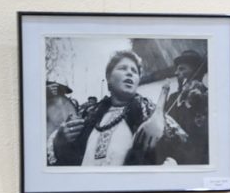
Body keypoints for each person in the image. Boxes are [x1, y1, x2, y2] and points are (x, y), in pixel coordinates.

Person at [48, 50, 187, 166]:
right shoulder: (87, 113)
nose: (130, 73)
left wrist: (168, 165)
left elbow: (183, 148)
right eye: (123, 68)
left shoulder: (150, 112)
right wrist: (60, 142)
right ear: (108, 78)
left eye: (134, 71)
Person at [158, 48, 210, 165]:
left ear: (196, 71)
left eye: (182, 69)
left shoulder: (207, 98)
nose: (176, 73)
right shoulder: (172, 98)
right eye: (177, 69)